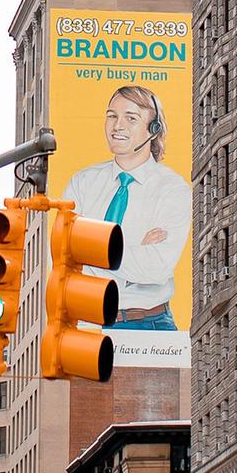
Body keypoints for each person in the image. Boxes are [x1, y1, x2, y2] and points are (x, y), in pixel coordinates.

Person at [59, 84, 192, 327]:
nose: (117, 126)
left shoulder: (173, 189)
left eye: (131, 118)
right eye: (112, 116)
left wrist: (91, 251)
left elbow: (155, 270)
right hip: (87, 321)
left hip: (148, 324)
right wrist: (134, 248)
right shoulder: (82, 182)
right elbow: (63, 257)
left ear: (153, 130)